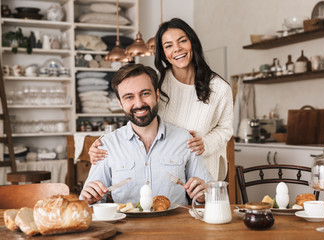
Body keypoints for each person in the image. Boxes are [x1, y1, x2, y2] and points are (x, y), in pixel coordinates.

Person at [89, 18, 233, 181]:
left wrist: (205, 143)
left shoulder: (220, 88)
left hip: (203, 171)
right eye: (168, 46)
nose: (177, 49)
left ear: (193, 42)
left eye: (182, 41)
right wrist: (104, 144)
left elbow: (226, 129)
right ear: (163, 53)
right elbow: (139, 119)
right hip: (164, 174)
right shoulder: (156, 84)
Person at [80, 63, 212, 205]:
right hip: (125, 226)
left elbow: (210, 198)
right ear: (120, 103)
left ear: (156, 94)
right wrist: (89, 200)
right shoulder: (106, 145)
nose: (139, 103)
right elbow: (90, 202)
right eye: (129, 97)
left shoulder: (185, 140)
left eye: (145, 93)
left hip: (175, 226)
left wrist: (203, 197)